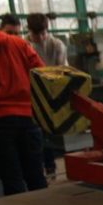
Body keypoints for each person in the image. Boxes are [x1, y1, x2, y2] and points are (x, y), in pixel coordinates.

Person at [0, 24, 47, 196]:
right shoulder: (19, 44)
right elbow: (42, 73)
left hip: (0, 123)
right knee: (36, 176)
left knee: (12, 180)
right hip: (28, 117)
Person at [25, 13, 67, 181]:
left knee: (50, 134)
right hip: (31, 96)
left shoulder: (57, 45)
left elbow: (62, 70)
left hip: (53, 93)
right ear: (29, 30)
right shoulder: (24, 45)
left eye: (43, 33)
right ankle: (44, 167)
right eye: (37, 34)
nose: (41, 38)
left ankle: (50, 168)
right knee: (38, 134)